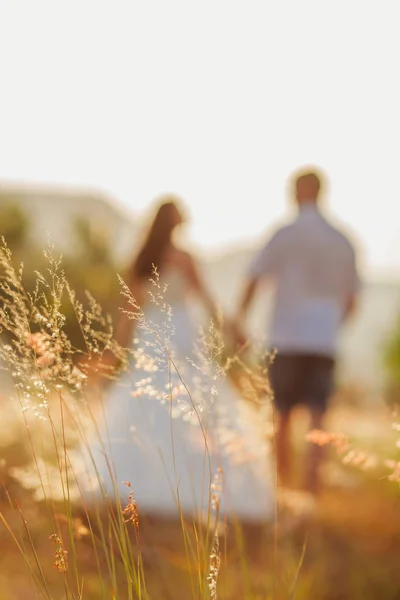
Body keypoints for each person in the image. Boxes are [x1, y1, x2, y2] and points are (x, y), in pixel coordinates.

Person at [77, 195, 275, 524]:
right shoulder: (184, 258)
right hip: (180, 332)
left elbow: (130, 312)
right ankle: (191, 488)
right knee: (190, 407)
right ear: (177, 222)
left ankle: (142, 484)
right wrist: (232, 331)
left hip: (151, 332)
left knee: (146, 406)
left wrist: (116, 350)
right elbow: (209, 302)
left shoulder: (140, 259)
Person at [235, 168, 360, 493]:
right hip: (323, 341)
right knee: (319, 421)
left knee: (282, 417)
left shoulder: (284, 234)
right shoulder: (342, 239)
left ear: (299, 191)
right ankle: (311, 493)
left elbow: (254, 277)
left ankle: (281, 490)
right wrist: (332, 325)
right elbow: (352, 299)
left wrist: (240, 321)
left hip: (286, 338)